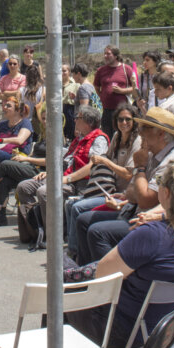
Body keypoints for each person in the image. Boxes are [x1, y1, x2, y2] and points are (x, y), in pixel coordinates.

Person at [66, 158, 174, 348]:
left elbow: (102, 276)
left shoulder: (151, 235)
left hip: (125, 332)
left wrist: (69, 272)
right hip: (167, 331)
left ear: (165, 193)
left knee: (57, 293)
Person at [73, 107, 174, 265]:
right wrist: (129, 195)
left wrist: (140, 168)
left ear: (161, 134)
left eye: (146, 128)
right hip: (133, 211)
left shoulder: (172, 160)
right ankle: (86, 272)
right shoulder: (150, 154)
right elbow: (133, 192)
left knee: (97, 232)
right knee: (83, 220)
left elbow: (146, 200)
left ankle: (111, 280)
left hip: (153, 222)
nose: (141, 132)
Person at [65, 103, 142, 260]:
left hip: (123, 194)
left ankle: (74, 254)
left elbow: (128, 174)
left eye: (128, 119)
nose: (124, 123)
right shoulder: (116, 137)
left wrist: (104, 162)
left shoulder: (137, 141)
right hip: (108, 189)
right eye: (120, 119)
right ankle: (77, 252)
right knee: (71, 205)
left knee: (78, 209)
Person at [18, 106, 109, 229]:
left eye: (78, 118)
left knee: (44, 192)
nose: (75, 120)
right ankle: (36, 227)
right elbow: (66, 161)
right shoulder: (79, 139)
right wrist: (50, 173)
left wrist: (68, 179)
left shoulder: (99, 139)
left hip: (79, 183)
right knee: (24, 187)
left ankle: (54, 233)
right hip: (63, 176)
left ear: (88, 122)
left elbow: (92, 166)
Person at [94, 45, 136, 138]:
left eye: (108, 54)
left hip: (122, 111)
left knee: (122, 135)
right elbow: (96, 86)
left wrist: (122, 91)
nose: (105, 56)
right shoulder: (101, 70)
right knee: (107, 136)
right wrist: (102, 96)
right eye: (104, 54)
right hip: (107, 111)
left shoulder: (126, 69)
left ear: (116, 56)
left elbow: (135, 88)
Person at [62, 63, 79, 141]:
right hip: (59, 109)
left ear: (69, 72)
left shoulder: (75, 84)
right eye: (60, 71)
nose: (62, 73)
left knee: (71, 131)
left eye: (64, 71)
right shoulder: (55, 84)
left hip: (70, 109)